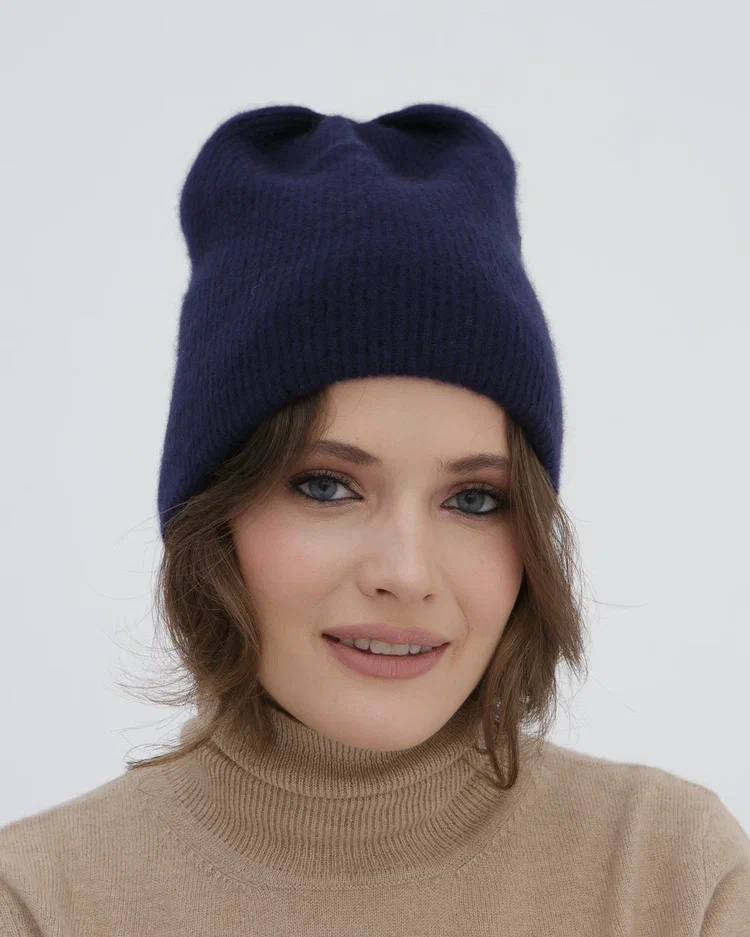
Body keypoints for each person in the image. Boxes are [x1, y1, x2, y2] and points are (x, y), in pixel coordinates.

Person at [1, 102, 748, 935]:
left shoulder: (670, 878)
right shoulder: (43, 901)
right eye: (326, 486)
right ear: (213, 515)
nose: (407, 572)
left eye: (475, 499)